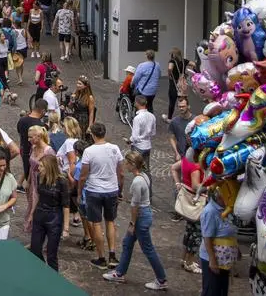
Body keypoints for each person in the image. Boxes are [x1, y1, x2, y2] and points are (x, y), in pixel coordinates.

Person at [102, 151, 168, 289]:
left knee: (148, 249)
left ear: (132, 164)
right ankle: (119, 273)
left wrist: (132, 223)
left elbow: (135, 206)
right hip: (144, 214)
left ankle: (161, 279)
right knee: (127, 243)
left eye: (127, 163)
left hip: (140, 217)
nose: (125, 165)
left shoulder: (137, 181)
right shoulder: (144, 176)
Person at [79, 122, 124, 269]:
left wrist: (79, 193)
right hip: (111, 190)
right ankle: (112, 254)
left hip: (94, 190)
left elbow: (83, 176)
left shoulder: (89, 151)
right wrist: (120, 190)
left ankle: (101, 257)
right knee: (110, 221)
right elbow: (121, 173)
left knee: (96, 223)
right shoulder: (115, 148)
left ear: (93, 135)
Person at [29, 153, 70, 271]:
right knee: (35, 249)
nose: (39, 168)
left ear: (49, 167)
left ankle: (53, 276)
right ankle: (42, 271)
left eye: (41, 166)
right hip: (39, 214)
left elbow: (66, 205)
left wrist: (66, 228)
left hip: (54, 217)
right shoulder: (40, 177)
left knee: (51, 254)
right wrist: (31, 214)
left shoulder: (62, 182)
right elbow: (38, 196)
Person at [172, 147, 205, 274]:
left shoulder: (186, 160)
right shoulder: (196, 166)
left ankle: (184, 258)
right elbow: (196, 185)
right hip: (195, 202)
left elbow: (173, 168)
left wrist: (178, 183)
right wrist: (210, 186)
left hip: (187, 199)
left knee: (189, 231)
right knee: (196, 233)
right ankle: (190, 262)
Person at [199, 187, 237, 295]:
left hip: (224, 259)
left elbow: (229, 232)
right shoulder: (210, 212)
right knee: (212, 290)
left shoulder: (226, 209)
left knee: (221, 291)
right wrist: (212, 260)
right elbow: (207, 237)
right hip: (212, 259)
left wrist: (236, 248)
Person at [23, 125, 55, 232]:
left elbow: (52, 170)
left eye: (31, 137)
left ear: (39, 136)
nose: (29, 139)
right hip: (33, 181)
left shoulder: (48, 151)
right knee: (32, 203)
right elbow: (32, 167)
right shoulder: (33, 148)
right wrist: (28, 181)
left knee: (38, 206)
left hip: (42, 183)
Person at [56, 117, 84, 228]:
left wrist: (71, 178)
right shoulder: (76, 141)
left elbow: (72, 162)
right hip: (69, 173)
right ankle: (76, 216)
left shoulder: (69, 142)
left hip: (66, 173)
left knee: (66, 198)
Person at [17, 100, 49, 188]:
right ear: (43, 111)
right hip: (35, 154)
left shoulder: (22, 120)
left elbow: (19, 133)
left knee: (27, 171)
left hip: (23, 149)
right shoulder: (40, 126)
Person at [131, 49, 162, 116]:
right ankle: (150, 118)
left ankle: (138, 118)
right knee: (149, 105)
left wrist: (132, 84)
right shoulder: (157, 65)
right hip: (153, 91)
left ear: (146, 56)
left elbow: (136, 78)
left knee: (139, 105)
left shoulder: (142, 65)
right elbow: (159, 75)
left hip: (143, 91)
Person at [128, 95, 156, 163]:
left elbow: (135, 137)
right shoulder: (152, 116)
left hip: (138, 147)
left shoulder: (137, 118)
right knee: (146, 167)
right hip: (147, 146)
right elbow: (153, 133)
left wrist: (129, 140)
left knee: (136, 167)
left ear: (137, 103)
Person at [163, 48, 187, 122]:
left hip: (174, 84)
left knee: (172, 102)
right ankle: (185, 116)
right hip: (182, 85)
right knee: (183, 101)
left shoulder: (172, 61)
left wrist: (169, 74)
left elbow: (170, 68)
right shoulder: (184, 61)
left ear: (174, 54)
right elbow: (193, 64)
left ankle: (169, 118)